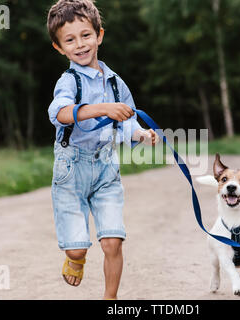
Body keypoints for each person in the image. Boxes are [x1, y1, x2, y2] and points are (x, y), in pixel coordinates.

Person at [46, 0, 158, 300]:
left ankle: (110, 300)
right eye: (70, 40)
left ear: (99, 35)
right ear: (59, 48)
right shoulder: (68, 81)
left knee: (113, 242)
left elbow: (126, 121)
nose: (80, 44)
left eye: (86, 35)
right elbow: (59, 113)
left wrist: (141, 134)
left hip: (106, 168)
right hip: (71, 170)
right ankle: (76, 257)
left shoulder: (115, 83)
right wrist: (101, 109)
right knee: (76, 246)